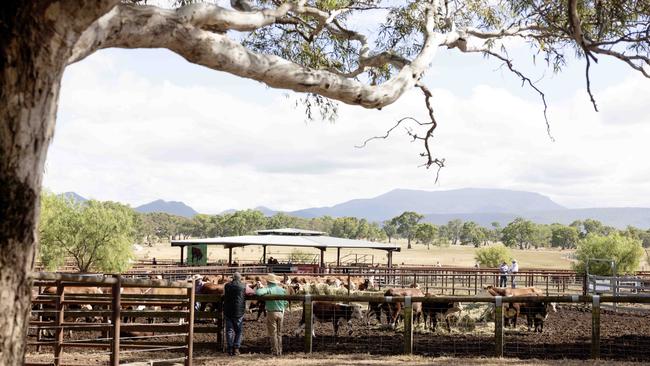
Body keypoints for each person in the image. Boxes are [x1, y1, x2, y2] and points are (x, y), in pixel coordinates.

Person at [256, 273, 287, 356]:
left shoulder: (268, 289)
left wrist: (261, 287)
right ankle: (280, 350)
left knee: (273, 333)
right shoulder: (281, 290)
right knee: (279, 333)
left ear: (268, 281)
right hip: (281, 312)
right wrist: (283, 307)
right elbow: (286, 302)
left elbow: (258, 293)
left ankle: (275, 351)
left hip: (271, 312)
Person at [224, 272, 246, 356]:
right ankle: (236, 348)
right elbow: (250, 292)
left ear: (232, 278)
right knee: (238, 331)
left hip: (228, 310)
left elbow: (224, 295)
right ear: (239, 278)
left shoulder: (227, 285)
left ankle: (229, 348)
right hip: (239, 311)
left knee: (229, 330)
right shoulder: (243, 285)